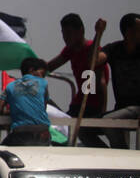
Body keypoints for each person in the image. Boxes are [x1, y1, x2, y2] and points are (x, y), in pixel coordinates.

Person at [46, 14, 111, 147]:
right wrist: (31, 66)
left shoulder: (92, 49)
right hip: (79, 101)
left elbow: (102, 82)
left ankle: (104, 152)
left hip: (93, 103)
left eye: (69, 33)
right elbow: (50, 66)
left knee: (80, 131)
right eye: (63, 33)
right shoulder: (70, 50)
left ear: (80, 31)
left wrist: (102, 113)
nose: (65, 37)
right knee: (59, 126)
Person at [102, 12, 140, 149]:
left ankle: (123, 156)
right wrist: (98, 34)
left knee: (108, 121)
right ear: (129, 32)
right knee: (85, 128)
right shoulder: (114, 49)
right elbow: (93, 62)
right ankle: (110, 157)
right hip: (121, 108)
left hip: (137, 108)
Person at [0, 57, 52, 146]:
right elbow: (43, 108)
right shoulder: (43, 83)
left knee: (0, 151)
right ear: (31, 70)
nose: (42, 77)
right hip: (43, 132)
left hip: (21, 133)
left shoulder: (10, 86)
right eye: (42, 74)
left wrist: (10, 112)